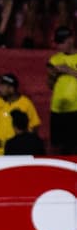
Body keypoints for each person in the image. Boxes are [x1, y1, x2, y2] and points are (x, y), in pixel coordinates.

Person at [0, 73, 41, 155]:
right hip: (1, 151)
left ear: (12, 88)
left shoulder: (26, 103)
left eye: (2, 86)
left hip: (20, 150)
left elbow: (34, 125)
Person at [47, 26, 77, 154]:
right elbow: (49, 85)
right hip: (57, 108)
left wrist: (69, 70)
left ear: (70, 40)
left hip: (75, 109)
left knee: (74, 146)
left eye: (61, 42)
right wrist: (52, 76)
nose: (58, 46)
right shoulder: (54, 59)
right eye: (57, 42)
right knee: (58, 147)